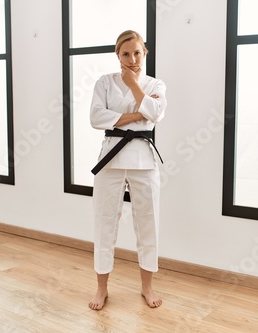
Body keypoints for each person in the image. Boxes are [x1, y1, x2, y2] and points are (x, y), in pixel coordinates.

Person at [88, 30, 167, 310]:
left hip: (144, 160)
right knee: (104, 221)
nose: (132, 59)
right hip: (111, 157)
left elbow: (156, 113)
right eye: (125, 54)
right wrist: (139, 114)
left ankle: (147, 287)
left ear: (145, 53)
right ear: (117, 55)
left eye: (137, 53)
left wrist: (134, 84)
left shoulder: (155, 83)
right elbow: (96, 117)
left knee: (148, 222)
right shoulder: (104, 83)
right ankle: (101, 289)